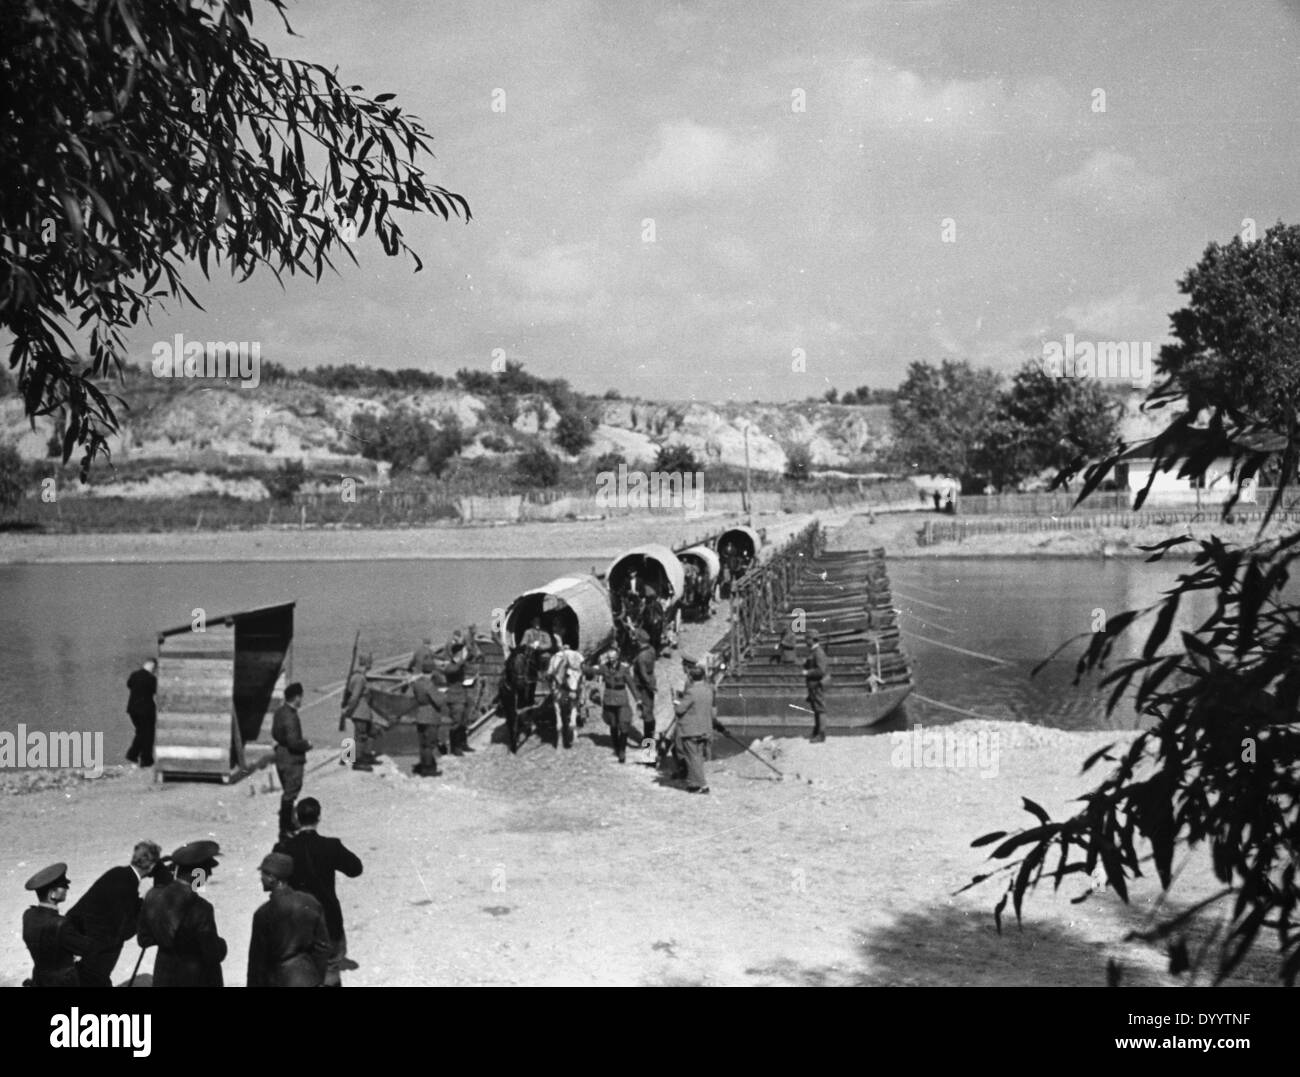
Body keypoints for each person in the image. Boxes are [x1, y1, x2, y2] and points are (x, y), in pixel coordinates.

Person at [275, 798, 364, 987]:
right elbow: (356, 869)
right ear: (319, 817)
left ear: (297, 819)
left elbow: (273, 878)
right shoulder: (331, 846)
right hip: (327, 917)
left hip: (295, 920)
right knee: (330, 970)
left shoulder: (284, 848)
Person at [65, 840, 165, 987]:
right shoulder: (129, 883)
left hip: (82, 938)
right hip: (100, 949)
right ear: (152, 866)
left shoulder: (118, 873)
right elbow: (125, 930)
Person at [137, 840, 227, 987]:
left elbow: (144, 940)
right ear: (198, 873)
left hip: (164, 977)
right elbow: (212, 953)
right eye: (207, 871)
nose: (209, 875)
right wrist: (222, 946)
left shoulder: (153, 896)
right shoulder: (202, 908)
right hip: (193, 979)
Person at [247, 852, 331, 988]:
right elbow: (323, 947)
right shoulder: (311, 901)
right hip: (309, 979)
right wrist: (315, 976)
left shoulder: (263, 914)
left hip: (277, 980)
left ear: (272, 878)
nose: (260, 878)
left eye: (262, 874)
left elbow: (257, 963)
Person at [21, 862, 92, 987]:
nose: (67, 889)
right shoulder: (61, 924)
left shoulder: (28, 915)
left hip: (39, 979)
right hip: (64, 982)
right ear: (52, 894)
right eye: (63, 886)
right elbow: (86, 949)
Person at [271, 682, 311, 842]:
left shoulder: (279, 712)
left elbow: (275, 734)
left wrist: (285, 742)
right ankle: (285, 829)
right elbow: (294, 742)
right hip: (292, 760)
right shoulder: (292, 717)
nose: (302, 700)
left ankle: (289, 825)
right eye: (301, 697)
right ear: (296, 698)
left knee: (288, 793)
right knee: (290, 794)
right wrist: (307, 745)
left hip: (281, 756)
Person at [583, 646, 635, 763]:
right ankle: (616, 748)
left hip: (621, 699)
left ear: (617, 657)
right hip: (609, 699)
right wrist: (581, 666)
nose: (611, 660)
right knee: (613, 724)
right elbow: (592, 670)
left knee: (624, 724)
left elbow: (631, 684)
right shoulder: (604, 667)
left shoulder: (624, 668)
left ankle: (623, 751)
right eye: (609, 658)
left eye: (613, 658)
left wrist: (639, 699)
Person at [673, 660, 716, 793]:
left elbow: (681, 709)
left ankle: (648, 758)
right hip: (703, 726)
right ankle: (692, 782)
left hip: (690, 727)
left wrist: (676, 703)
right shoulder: (709, 689)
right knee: (695, 755)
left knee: (649, 731)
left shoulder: (690, 688)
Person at [341, 652, 383, 771]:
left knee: (372, 732)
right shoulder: (359, 678)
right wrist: (348, 710)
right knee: (361, 737)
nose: (371, 664)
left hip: (364, 712)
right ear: (367, 663)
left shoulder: (359, 676)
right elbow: (354, 697)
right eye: (370, 662)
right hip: (360, 712)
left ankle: (366, 756)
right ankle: (358, 762)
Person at [409, 659, 445, 777]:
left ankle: (424, 767)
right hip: (430, 716)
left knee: (423, 744)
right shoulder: (429, 685)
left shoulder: (417, 683)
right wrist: (442, 694)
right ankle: (429, 770)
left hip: (420, 715)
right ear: (432, 671)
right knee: (430, 744)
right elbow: (439, 702)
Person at [546, 639, 584, 749]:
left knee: (574, 702)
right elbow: (551, 671)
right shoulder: (557, 657)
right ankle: (560, 734)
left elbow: (580, 669)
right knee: (557, 705)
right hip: (560, 682)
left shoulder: (576, 656)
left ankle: (573, 729)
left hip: (572, 682)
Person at [441, 641, 474, 756]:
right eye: (462, 652)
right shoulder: (450, 666)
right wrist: (462, 660)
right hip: (454, 697)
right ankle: (455, 748)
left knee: (464, 722)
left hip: (463, 695)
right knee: (456, 723)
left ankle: (463, 744)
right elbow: (452, 670)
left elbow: (468, 665)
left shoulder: (460, 664)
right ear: (458, 654)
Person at [498, 643, 533, 752]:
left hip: (521, 668)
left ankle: (526, 709)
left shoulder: (524, 651)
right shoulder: (510, 648)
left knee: (526, 669)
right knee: (503, 677)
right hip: (511, 662)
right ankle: (500, 700)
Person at [125, 658, 158, 766]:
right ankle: (145, 759)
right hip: (146, 710)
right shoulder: (151, 678)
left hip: (132, 710)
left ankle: (134, 755)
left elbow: (129, 684)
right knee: (148, 734)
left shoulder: (134, 675)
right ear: (153, 667)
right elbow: (155, 690)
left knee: (141, 732)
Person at [631, 628, 658, 744]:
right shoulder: (651, 650)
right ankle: (649, 740)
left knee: (647, 715)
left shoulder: (641, 656)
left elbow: (643, 674)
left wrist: (649, 686)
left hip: (643, 687)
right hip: (650, 682)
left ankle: (648, 753)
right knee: (649, 712)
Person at [803, 629, 830, 743]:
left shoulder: (818, 652)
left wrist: (807, 672)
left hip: (817, 685)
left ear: (812, 639)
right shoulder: (813, 651)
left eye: (807, 638)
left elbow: (821, 670)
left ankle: (821, 734)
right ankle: (816, 731)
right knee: (816, 709)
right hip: (813, 686)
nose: (805, 641)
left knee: (820, 709)